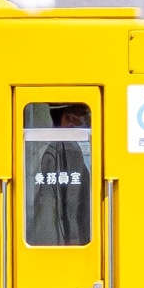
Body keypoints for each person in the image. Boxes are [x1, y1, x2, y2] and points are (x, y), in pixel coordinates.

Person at [26, 104, 91, 246]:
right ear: (68, 118)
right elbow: (73, 202)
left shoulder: (37, 146)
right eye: (82, 117)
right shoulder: (68, 149)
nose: (84, 123)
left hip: (38, 232)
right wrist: (75, 237)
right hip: (59, 238)